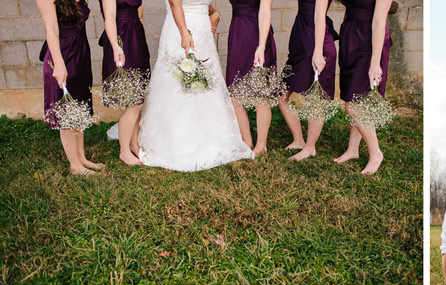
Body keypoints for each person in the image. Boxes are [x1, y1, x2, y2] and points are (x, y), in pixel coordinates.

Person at [138, 0, 254, 172]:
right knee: (178, 82)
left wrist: (215, 15)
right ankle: (178, 138)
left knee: (206, 84)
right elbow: (175, 5)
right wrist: (184, 33)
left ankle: (211, 135)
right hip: (179, 30)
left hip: (203, 34)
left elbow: (208, 7)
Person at [37, 0, 105, 175]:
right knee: (66, 110)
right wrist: (59, 64)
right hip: (62, 53)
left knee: (79, 107)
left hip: (80, 51)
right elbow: (51, 29)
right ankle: (75, 165)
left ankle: (81, 158)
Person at [328, 0, 391, 175]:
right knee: (353, 98)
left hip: (370, 43)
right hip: (350, 39)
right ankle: (353, 149)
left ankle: (376, 153)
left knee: (353, 106)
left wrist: (374, 62)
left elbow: (379, 21)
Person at [278, 0, 339, 160]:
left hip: (316, 42)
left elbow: (320, 14)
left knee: (315, 99)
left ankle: (310, 147)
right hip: (301, 37)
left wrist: (318, 52)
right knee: (281, 94)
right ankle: (298, 140)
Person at [99, 0, 150, 166]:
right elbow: (109, 17)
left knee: (138, 98)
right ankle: (124, 151)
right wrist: (115, 46)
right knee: (133, 102)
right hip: (121, 37)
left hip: (136, 36)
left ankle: (135, 145)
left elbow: (138, 7)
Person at [226, 0, 277, 155]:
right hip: (237, 33)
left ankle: (261, 145)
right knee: (234, 93)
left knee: (259, 94)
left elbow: (265, 11)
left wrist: (261, 46)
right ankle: (247, 141)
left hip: (257, 33)